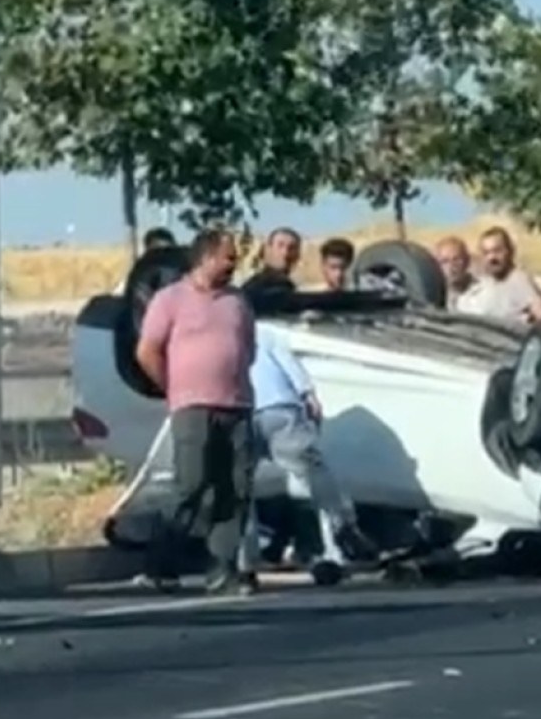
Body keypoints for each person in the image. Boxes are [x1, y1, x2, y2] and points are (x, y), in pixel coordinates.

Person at [135, 229, 259, 595]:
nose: (234, 264)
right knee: (191, 484)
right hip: (192, 406)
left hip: (236, 405)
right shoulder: (170, 299)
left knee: (235, 488)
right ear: (205, 258)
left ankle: (222, 569)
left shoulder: (237, 301)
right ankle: (160, 562)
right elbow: (147, 351)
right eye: (228, 257)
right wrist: (173, 387)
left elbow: (248, 348)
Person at [245, 325, 376, 582]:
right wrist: (308, 394)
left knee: (239, 487)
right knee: (315, 475)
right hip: (280, 409)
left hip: (240, 412)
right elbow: (290, 366)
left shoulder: (220, 333)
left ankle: (245, 560)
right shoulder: (266, 333)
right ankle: (341, 531)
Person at [456, 226, 541, 323]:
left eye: (497, 251)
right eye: (486, 253)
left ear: (510, 251)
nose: (492, 258)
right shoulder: (482, 285)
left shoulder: (519, 281)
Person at [243, 227, 302, 298]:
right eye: (280, 245)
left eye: (292, 248)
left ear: (297, 254)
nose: (285, 253)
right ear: (269, 249)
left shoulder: (284, 284)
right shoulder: (259, 286)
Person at [435, 236, 477, 309]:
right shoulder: (435, 294)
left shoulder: (484, 291)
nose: (451, 266)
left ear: (467, 261)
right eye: (445, 261)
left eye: (456, 259)